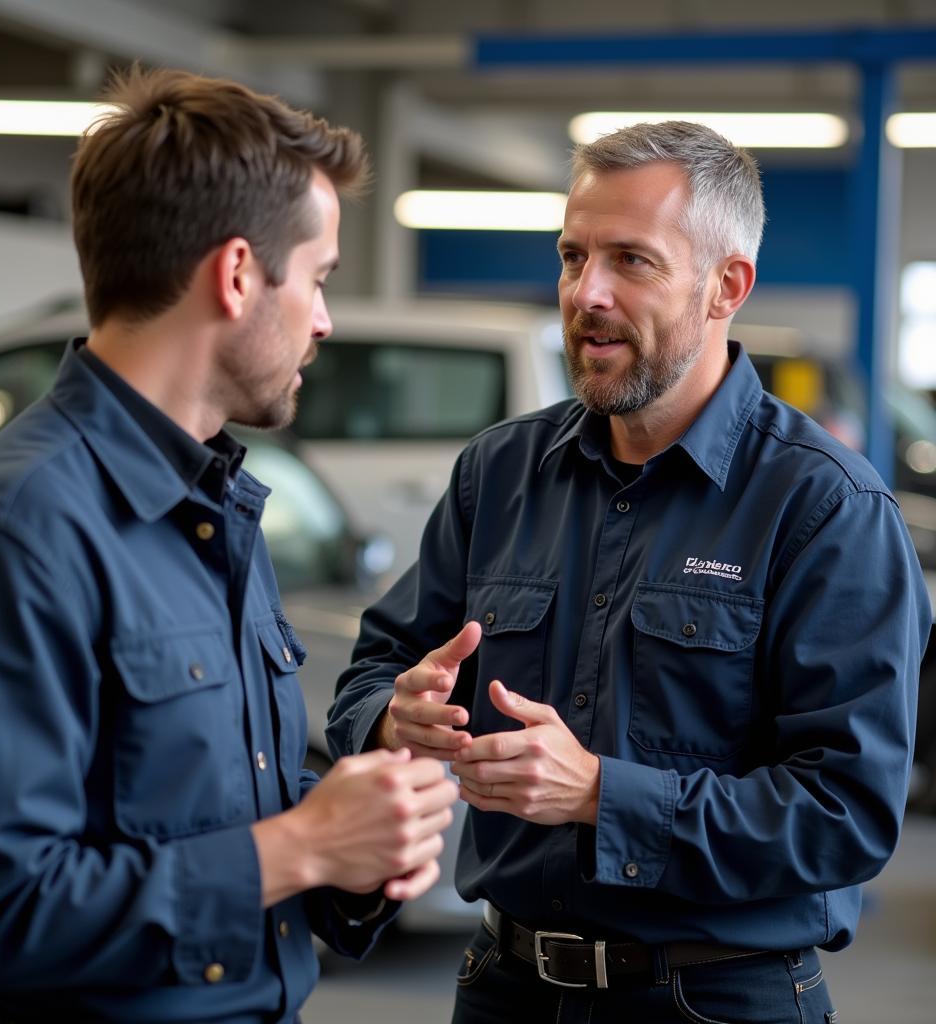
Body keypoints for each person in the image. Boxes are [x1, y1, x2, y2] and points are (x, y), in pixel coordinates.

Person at [327, 120, 930, 1023]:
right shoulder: (498, 475)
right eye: (573, 257)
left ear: (727, 285)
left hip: (716, 999)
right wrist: (393, 717)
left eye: (631, 261)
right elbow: (371, 672)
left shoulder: (825, 509)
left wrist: (603, 796)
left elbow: (846, 812)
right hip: (505, 989)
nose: (586, 293)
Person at [0, 66, 458, 1024]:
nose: (324, 319)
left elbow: (224, 799)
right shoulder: (18, 532)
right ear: (238, 274)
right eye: (320, 278)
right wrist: (302, 848)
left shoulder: (213, 504)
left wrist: (366, 829)